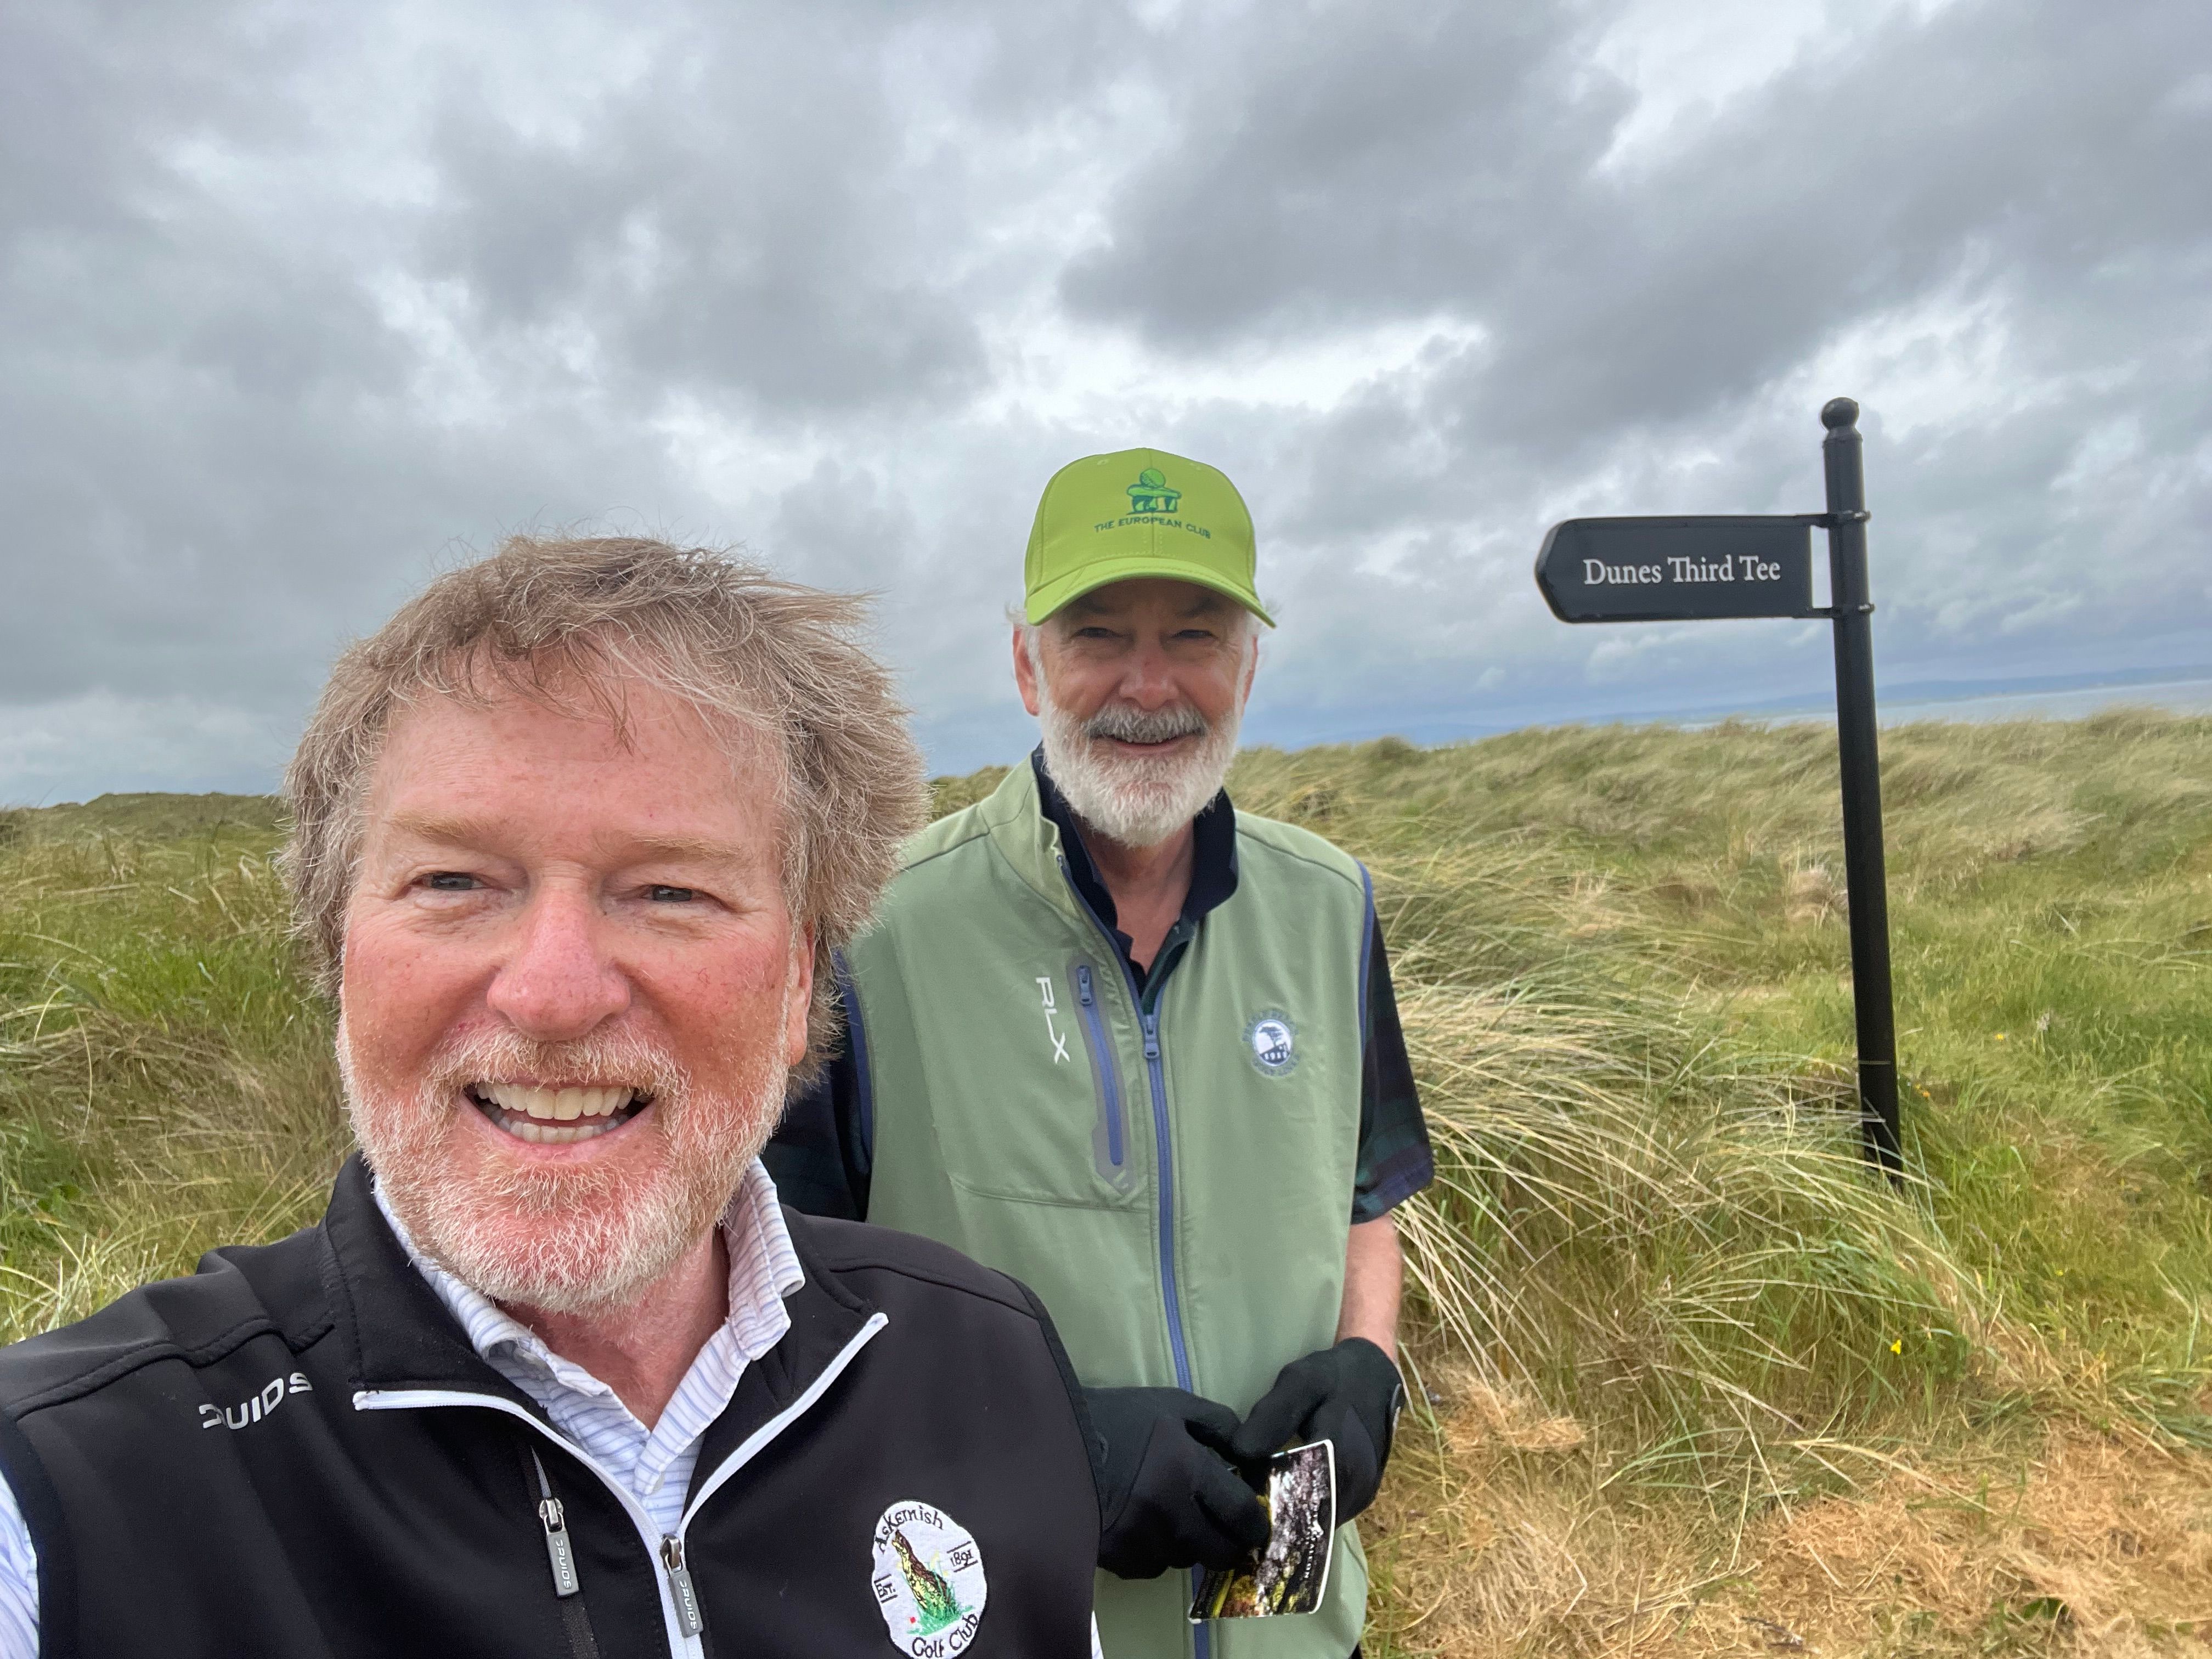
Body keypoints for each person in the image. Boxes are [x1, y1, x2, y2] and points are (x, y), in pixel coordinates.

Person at [0, 538, 1104, 1658]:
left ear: (800, 982)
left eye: (670, 890)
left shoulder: (984, 1361)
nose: (552, 995)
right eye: (454, 882)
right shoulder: (67, 1497)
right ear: (340, 950)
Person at [767, 449, 1435, 1658]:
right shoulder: (873, 929)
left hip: (1287, 1624)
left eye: (1194, 633)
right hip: (998, 1617)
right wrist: (1042, 1445)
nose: (1147, 683)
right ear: (1026, 664)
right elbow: (771, 1297)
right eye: (1095, 634)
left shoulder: (1331, 906)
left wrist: (1366, 1367)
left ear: (1248, 666)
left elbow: (1361, 1195)